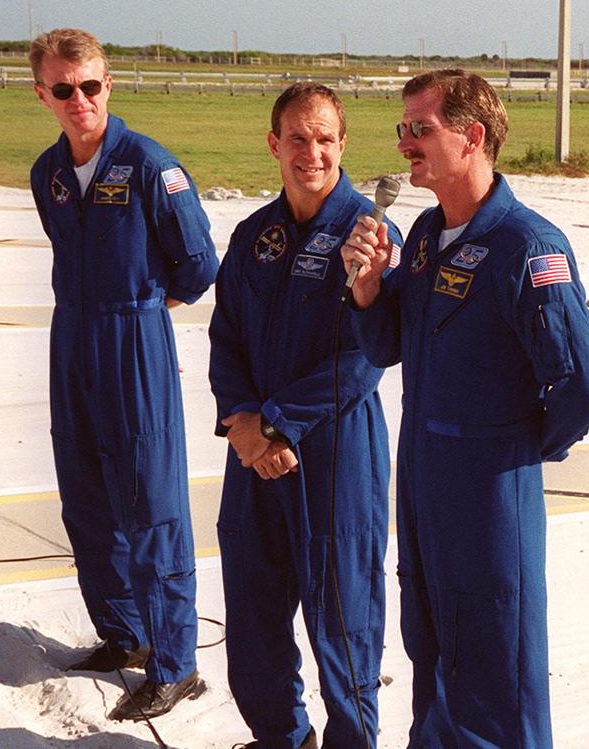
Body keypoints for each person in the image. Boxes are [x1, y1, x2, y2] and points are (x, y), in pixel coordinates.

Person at [341, 69, 589, 747]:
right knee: (432, 656)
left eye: (420, 128)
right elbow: (388, 346)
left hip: (489, 497)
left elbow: (581, 388)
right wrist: (368, 290)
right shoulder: (426, 235)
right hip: (425, 484)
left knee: (496, 676)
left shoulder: (529, 247)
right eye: (402, 129)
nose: (405, 143)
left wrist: (510, 449)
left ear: (473, 136)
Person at [28, 28, 216, 719]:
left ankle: (175, 663)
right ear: (43, 94)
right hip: (71, 336)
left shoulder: (150, 166)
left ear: (108, 85)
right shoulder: (48, 173)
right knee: (85, 494)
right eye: (64, 89)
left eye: (90, 86)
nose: (79, 99)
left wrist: (142, 313)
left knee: (151, 504)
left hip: (133, 337)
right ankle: (124, 632)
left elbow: (199, 264)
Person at [209, 83, 402, 749]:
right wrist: (243, 421)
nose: (311, 152)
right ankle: (282, 738)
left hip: (335, 450)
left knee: (343, 620)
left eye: (324, 139)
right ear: (274, 144)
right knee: (253, 613)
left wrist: (278, 423)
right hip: (252, 450)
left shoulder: (371, 234)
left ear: (343, 145)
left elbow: (368, 356)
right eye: (297, 138)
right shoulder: (252, 235)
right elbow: (227, 337)